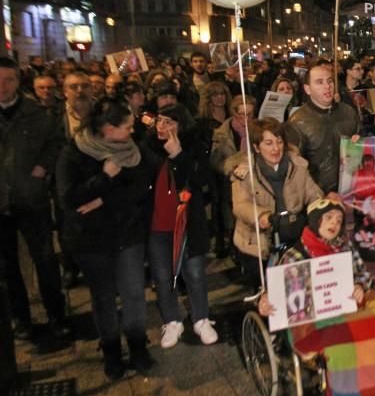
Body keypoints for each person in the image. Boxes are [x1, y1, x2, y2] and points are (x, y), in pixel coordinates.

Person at [257, 198, 375, 396]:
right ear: (315, 221)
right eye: (328, 218)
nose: (334, 223)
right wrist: (266, 300)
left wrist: (360, 286)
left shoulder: (345, 247)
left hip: (346, 303)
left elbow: (362, 274)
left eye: (339, 219)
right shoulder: (294, 256)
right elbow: (279, 294)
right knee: (345, 341)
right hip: (314, 314)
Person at [56, 98, 154, 378]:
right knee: (103, 298)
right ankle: (111, 350)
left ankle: (138, 346)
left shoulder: (132, 151)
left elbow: (139, 188)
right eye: (126, 127)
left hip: (127, 233)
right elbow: (69, 198)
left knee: (134, 293)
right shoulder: (74, 152)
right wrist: (104, 178)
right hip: (91, 240)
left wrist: (102, 200)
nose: (132, 132)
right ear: (108, 128)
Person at [0, 57, 71, 341]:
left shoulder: (36, 113)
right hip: (1, 200)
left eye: (9, 80)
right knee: (7, 265)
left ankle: (56, 315)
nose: (3, 87)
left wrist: (43, 167)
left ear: (18, 82)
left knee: (44, 260)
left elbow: (55, 143)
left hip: (31, 198)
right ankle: (20, 317)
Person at [142, 104, 218, 348]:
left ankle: (201, 318)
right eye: (160, 121)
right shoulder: (146, 148)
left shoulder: (193, 147)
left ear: (181, 125)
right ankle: (172, 321)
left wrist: (178, 155)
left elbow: (200, 179)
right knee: (163, 277)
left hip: (187, 222)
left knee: (195, 273)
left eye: (169, 122)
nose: (162, 127)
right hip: (157, 224)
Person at [231, 118, 324, 290]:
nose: (276, 148)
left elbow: (313, 193)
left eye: (279, 142)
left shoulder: (298, 166)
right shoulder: (245, 173)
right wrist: (261, 215)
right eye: (268, 143)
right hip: (257, 242)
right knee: (265, 289)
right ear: (257, 147)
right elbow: (241, 204)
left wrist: (323, 206)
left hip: (292, 235)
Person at [286, 64, 360, 195]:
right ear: (308, 89)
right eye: (319, 82)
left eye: (330, 81)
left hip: (352, 190)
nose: (327, 86)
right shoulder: (297, 121)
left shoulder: (348, 112)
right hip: (318, 197)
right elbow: (295, 167)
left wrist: (359, 144)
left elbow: (364, 147)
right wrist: (317, 194)